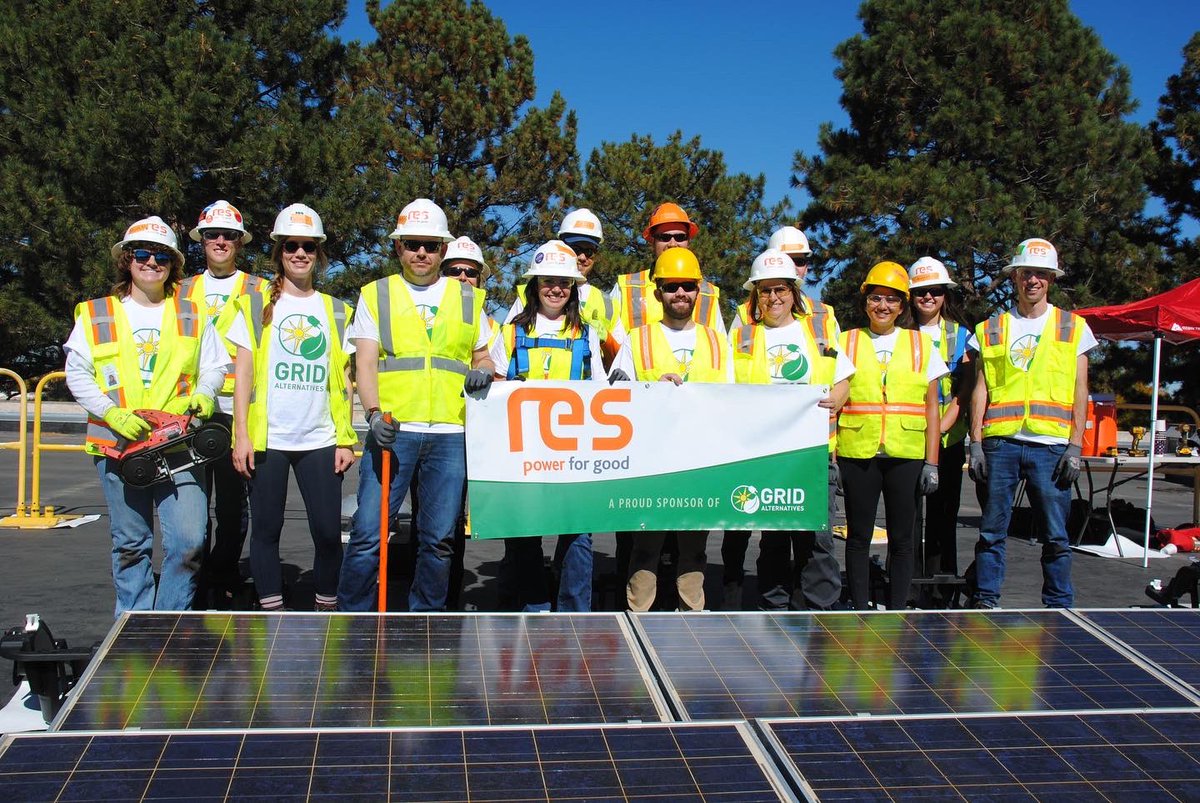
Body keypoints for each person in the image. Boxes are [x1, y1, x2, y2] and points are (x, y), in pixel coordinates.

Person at [64, 216, 227, 615]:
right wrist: (110, 412)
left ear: (173, 265)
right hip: (119, 443)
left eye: (162, 257)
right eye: (142, 254)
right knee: (131, 543)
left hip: (177, 444)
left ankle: (167, 622)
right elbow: (77, 373)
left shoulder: (192, 314)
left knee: (188, 542)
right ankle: (132, 622)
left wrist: (205, 393)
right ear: (127, 259)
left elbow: (213, 367)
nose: (151, 262)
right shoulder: (97, 314)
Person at [340, 198, 494, 612]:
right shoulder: (377, 294)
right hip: (393, 431)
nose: (421, 252)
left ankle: (426, 619)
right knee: (368, 533)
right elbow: (364, 362)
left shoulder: (468, 298)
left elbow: (482, 356)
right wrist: (373, 414)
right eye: (412, 244)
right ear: (398, 247)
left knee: (439, 539)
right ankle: (352, 617)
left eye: (430, 245)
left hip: (450, 433)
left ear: (443, 249)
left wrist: (484, 369)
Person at [226, 204, 357, 612]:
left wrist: (345, 439)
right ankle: (273, 612)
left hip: (320, 439)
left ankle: (326, 606)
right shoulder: (254, 305)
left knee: (327, 533)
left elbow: (345, 381)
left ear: (319, 253)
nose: (300, 253)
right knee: (266, 530)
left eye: (308, 247)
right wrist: (241, 436)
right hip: (269, 440)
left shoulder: (338, 311)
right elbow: (243, 376)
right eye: (291, 246)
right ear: (279, 251)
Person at [967, 238, 1096, 609]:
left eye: (1041, 274)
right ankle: (986, 600)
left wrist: (1075, 446)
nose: (1033, 281)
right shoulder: (990, 329)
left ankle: (1059, 604)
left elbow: (1081, 390)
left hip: (1051, 446)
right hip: (1001, 443)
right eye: (1026, 273)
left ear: (1051, 279)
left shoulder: (1073, 327)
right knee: (992, 532)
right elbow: (980, 389)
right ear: (1015, 277)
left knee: (1055, 535)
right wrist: (975, 442)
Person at [721, 225, 842, 606]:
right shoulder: (743, 335)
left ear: (794, 291)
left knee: (817, 540)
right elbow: (725, 388)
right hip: (767, 457)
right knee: (773, 538)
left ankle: (819, 611)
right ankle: (772, 607)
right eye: (765, 290)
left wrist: (837, 400)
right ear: (756, 294)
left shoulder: (818, 330)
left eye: (781, 289)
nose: (773, 297)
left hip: (813, 456)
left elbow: (843, 379)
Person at [491, 241, 611, 611]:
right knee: (524, 536)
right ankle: (534, 609)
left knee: (578, 537)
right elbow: (495, 383)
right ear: (535, 284)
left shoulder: (587, 334)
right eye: (548, 281)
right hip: (523, 452)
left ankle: (575, 613)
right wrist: (483, 380)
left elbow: (601, 389)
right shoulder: (510, 332)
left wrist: (619, 384)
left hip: (574, 452)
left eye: (564, 282)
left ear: (574, 287)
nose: (556, 289)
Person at [611, 247, 730, 611]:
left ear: (698, 291)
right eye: (672, 286)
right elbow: (615, 395)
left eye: (688, 286)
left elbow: (733, 398)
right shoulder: (637, 339)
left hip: (700, 459)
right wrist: (650, 389)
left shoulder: (717, 340)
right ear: (658, 291)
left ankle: (691, 614)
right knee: (645, 546)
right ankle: (638, 614)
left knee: (694, 548)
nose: (680, 293)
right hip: (652, 460)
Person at [837, 261, 947, 611]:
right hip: (858, 452)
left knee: (903, 538)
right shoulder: (846, 341)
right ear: (865, 301)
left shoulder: (921, 344)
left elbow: (932, 408)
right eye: (875, 298)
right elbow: (833, 401)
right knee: (858, 536)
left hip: (906, 454)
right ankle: (859, 607)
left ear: (902, 306)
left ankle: (898, 610)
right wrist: (832, 456)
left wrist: (932, 462)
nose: (882, 306)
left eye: (891, 299)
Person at [180, 200, 267, 608]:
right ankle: (194, 579)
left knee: (233, 506)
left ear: (239, 242)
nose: (220, 241)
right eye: (212, 234)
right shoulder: (180, 290)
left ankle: (225, 572)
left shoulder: (260, 289)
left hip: (237, 411)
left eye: (228, 235)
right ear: (201, 240)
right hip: (190, 411)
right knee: (191, 504)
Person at [906, 257, 974, 602]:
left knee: (942, 519)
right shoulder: (900, 334)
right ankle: (908, 587)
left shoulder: (960, 336)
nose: (928, 297)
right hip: (907, 439)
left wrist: (941, 428)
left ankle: (940, 590)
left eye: (935, 291)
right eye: (921, 291)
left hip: (947, 440)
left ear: (945, 295)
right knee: (908, 520)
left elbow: (965, 389)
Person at [507, 209, 626, 368]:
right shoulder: (528, 294)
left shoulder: (608, 304)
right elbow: (506, 347)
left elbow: (624, 360)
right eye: (576, 249)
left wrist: (606, 339)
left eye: (589, 252)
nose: (582, 257)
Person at [612, 202, 723, 331]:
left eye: (680, 237)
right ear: (652, 242)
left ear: (688, 241)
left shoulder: (708, 295)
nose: (672, 244)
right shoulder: (626, 288)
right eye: (664, 237)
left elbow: (718, 342)